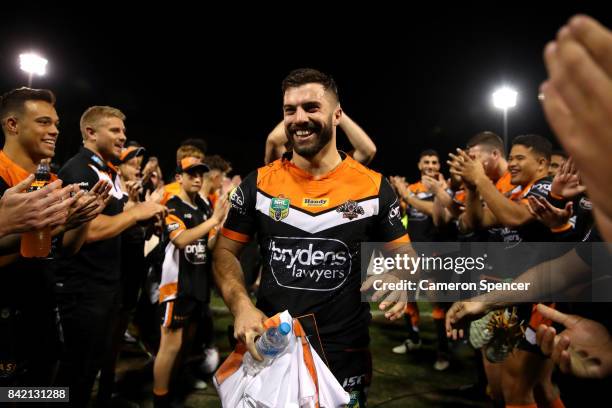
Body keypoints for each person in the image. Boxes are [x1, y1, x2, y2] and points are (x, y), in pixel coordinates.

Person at [212, 68, 410, 406]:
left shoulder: (374, 187)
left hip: (344, 354)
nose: (299, 118)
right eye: (290, 110)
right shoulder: (258, 184)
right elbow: (224, 252)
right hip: (274, 346)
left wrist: (400, 276)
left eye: (311, 108)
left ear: (337, 116)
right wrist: (242, 305)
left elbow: (405, 256)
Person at [52, 106, 166, 407]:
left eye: (123, 131)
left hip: (105, 285)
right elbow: (88, 231)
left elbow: (116, 214)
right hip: (82, 289)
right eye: (115, 130)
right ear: (90, 132)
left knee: (90, 368)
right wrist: (138, 212)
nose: (123, 136)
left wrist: (141, 214)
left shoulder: (104, 170)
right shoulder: (78, 171)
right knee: (73, 372)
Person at [0, 87, 110, 387]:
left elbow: (64, 250)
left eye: (56, 124)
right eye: (44, 122)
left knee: (46, 392)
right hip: (8, 321)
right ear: (12, 125)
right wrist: (52, 225)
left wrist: (80, 219)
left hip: (42, 313)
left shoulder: (50, 181)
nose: (55, 131)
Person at [154, 157, 228, 407]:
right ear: (179, 178)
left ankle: (174, 388)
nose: (197, 178)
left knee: (187, 343)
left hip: (197, 282)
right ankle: (159, 399)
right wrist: (213, 221)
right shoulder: (171, 205)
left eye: (200, 174)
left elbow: (206, 245)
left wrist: (218, 230)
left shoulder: (204, 206)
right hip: (177, 285)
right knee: (170, 346)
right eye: (190, 174)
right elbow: (181, 240)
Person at [264, 111, 377, 165]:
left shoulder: (337, 167)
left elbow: (367, 151)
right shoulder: (283, 166)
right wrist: (302, 111)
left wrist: (335, 110)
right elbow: (273, 141)